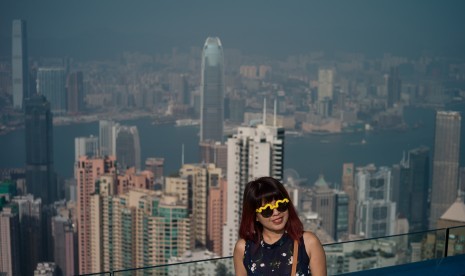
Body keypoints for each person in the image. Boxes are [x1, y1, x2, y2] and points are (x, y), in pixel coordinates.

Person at [233, 176, 327, 276]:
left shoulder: (308, 242)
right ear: (255, 216)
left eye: (281, 205)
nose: (276, 212)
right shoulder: (243, 248)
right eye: (267, 210)